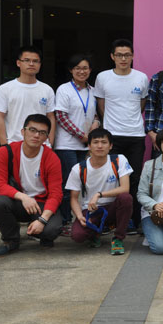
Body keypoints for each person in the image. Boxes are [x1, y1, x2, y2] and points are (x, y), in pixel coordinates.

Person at [94, 38, 149, 233]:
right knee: (111, 179)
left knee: (134, 179)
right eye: (119, 55)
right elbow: (101, 105)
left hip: (135, 135)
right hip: (112, 137)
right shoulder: (103, 77)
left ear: (132, 56)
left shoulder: (141, 78)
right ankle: (110, 220)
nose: (123, 59)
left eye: (127, 55)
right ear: (112, 56)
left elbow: (141, 103)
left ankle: (132, 220)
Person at [0, 114, 63, 257]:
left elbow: (56, 194)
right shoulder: (5, 152)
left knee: (51, 230)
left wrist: (42, 220)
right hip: (18, 201)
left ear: (46, 137)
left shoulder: (51, 157)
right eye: (32, 130)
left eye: (42, 132)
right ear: (23, 132)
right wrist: (23, 197)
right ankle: (11, 241)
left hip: (41, 203)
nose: (36, 135)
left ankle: (41, 234)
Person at [65, 128, 133, 255]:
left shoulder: (119, 160)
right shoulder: (78, 168)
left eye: (104, 142)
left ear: (110, 146)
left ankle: (118, 238)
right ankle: (95, 233)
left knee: (125, 198)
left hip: (113, 208)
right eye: (95, 142)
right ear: (89, 146)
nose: (100, 146)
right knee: (77, 236)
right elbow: (74, 198)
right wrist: (79, 216)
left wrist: (99, 194)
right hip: (91, 210)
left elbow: (125, 188)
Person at [54, 54, 100, 235]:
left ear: (90, 70)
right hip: (67, 145)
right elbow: (61, 116)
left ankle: (81, 219)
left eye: (85, 68)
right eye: (78, 68)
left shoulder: (92, 90)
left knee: (83, 184)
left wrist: (96, 124)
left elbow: (94, 114)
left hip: (85, 145)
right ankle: (65, 221)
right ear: (71, 70)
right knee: (69, 185)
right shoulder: (64, 89)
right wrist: (81, 135)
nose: (82, 71)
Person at [0, 45, 55, 146]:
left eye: (35, 61)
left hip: (41, 145)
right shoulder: (5, 88)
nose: (31, 64)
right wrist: (4, 144)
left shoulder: (47, 89)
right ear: (18, 63)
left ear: (40, 64)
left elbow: (50, 116)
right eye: (27, 60)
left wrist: (50, 142)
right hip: (13, 144)